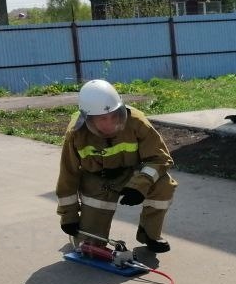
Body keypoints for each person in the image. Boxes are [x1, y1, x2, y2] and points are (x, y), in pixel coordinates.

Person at [55, 79, 176, 253]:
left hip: (131, 174)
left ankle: (150, 234)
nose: (111, 123)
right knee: (89, 248)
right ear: (88, 118)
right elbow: (68, 175)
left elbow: (160, 158)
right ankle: (87, 234)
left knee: (164, 184)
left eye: (114, 115)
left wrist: (139, 185)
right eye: (103, 118)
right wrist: (69, 216)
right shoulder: (76, 134)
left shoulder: (136, 121)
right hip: (97, 181)